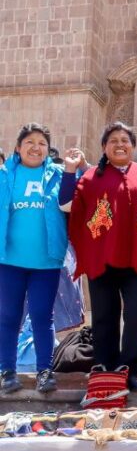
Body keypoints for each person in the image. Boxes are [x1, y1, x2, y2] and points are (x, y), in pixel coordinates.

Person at [66, 122, 137, 392]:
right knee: (103, 315)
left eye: (125, 139)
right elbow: (73, 212)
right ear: (104, 147)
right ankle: (104, 367)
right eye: (113, 140)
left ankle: (129, 370)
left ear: (133, 146)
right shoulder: (90, 177)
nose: (120, 144)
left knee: (136, 316)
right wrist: (86, 252)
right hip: (103, 257)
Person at [0, 123, 71, 393]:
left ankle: (44, 371)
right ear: (18, 148)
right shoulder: (5, 175)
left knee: (42, 316)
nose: (35, 147)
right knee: (8, 316)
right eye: (29, 141)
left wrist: (77, 168)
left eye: (41, 142)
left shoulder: (58, 175)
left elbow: (74, 200)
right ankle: (7, 371)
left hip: (46, 261)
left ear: (48, 149)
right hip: (9, 260)